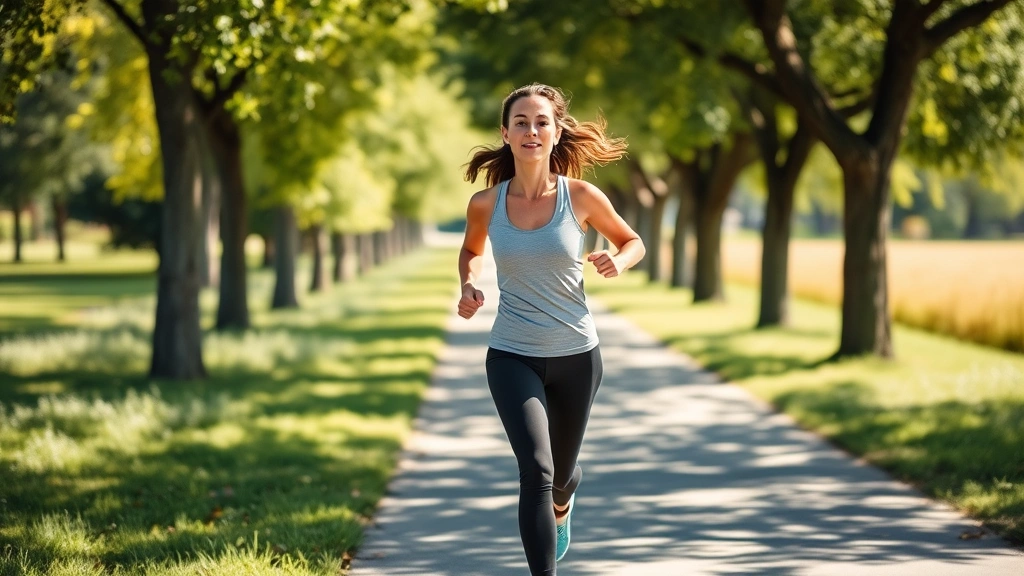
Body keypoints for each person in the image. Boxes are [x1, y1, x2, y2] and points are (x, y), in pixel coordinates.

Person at [457, 83, 645, 575]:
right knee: (536, 472)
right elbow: (472, 250)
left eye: (541, 121)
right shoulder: (485, 204)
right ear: (505, 133)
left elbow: (633, 241)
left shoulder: (580, 196)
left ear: (557, 132)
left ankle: (565, 499)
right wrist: (470, 284)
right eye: (521, 122)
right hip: (511, 354)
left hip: (577, 356)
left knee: (559, 477)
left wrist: (618, 261)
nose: (531, 130)